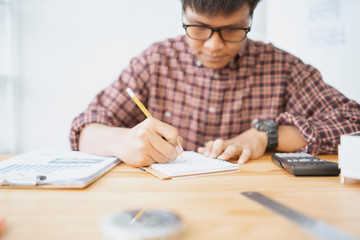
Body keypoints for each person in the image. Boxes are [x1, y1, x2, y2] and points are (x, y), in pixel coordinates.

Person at [69, 0, 360, 167]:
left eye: (233, 29)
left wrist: (266, 137)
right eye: (198, 28)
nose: (213, 45)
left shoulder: (282, 68)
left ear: (250, 18)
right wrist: (122, 141)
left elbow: (354, 121)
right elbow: (85, 129)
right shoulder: (156, 61)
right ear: (183, 14)